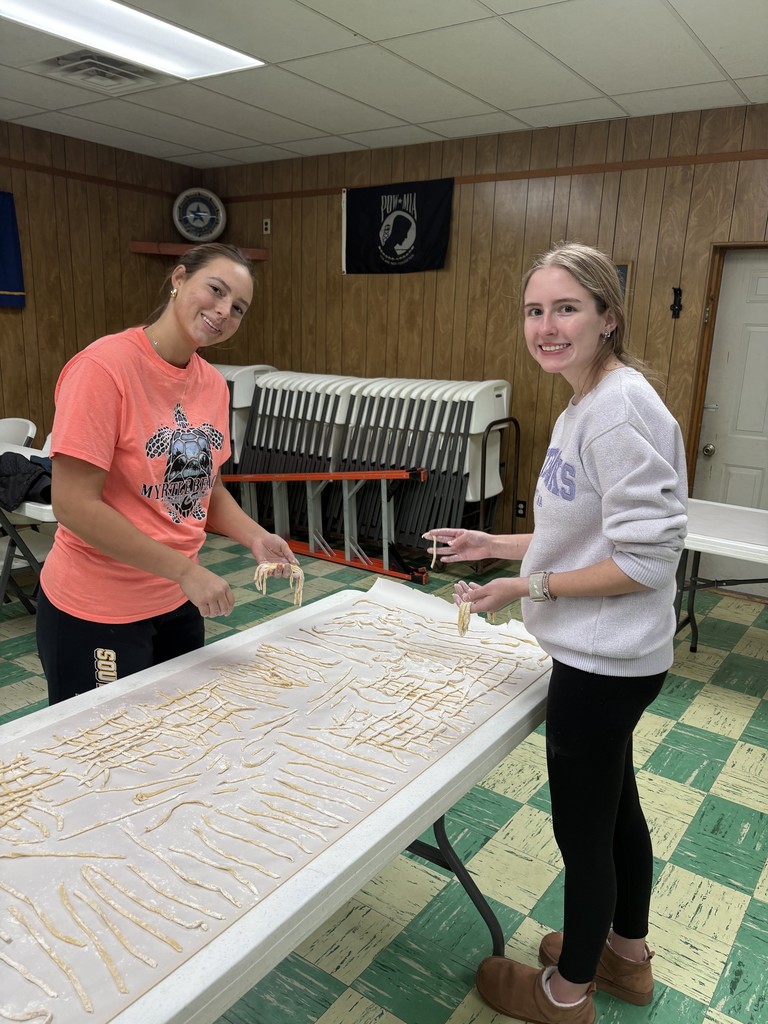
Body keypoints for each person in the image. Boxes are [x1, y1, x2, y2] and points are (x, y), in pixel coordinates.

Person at [426, 242, 688, 1024]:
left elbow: (644, 559)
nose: (546, 325)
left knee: (584, 834)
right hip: (612, 657)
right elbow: (587, 532)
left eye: (567, 308)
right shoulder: (588, 400)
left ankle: (567, 993)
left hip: (603, 664)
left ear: (608, 317)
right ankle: (625, 955)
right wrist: (500, 547)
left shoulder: (617, 410)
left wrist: (527, 584)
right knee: (616, 812)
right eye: (535, 310)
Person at [37, 243, 297, 705]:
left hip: (177, 601)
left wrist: (255, 536)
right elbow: (73, 505)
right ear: (178, 280)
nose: (223, 311)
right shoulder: (103, 369)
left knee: (173, 742)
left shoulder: (211, 383)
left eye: (238, 307)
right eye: (215, 290)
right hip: (100, 609)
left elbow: (204, 488)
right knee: (106, 754)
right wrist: (186, 571)